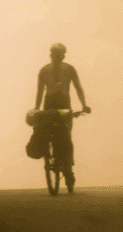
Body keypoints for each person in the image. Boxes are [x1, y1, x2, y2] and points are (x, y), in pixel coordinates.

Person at [35, 43, 91, 192]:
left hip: (56, 106)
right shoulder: (61, 69)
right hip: (58, 106)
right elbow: (40, 91)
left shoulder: (49, 70)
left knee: (65, 136)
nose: (56, 58)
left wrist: (36, 108)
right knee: (64, 136)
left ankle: (64, 167)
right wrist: (84, 105)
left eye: (57, 55)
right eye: (56, 55)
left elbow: (40, 92)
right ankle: (65, 168)